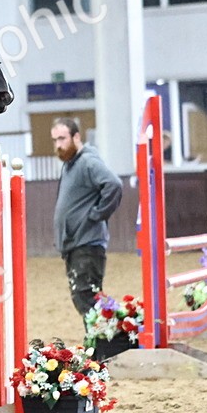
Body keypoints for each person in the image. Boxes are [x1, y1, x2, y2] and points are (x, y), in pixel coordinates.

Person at [51, 117, 123, 317]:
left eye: (62, 139)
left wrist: (96, 214)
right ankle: (102, 342)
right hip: (77, 244)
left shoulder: (87, 161)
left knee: (87, 297)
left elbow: (113, 185)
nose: (58, 145)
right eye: (55, 140)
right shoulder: (70, 164)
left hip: (87, 243)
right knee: (83, 297)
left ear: (76, 136)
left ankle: (105, 344)